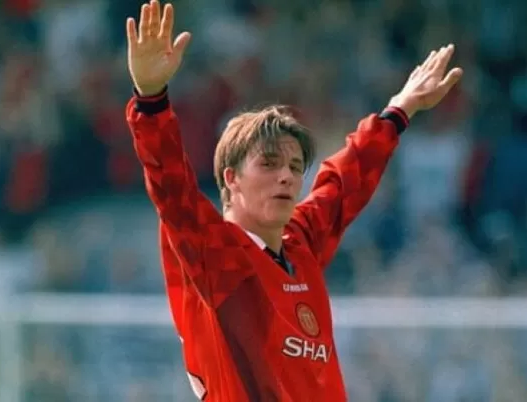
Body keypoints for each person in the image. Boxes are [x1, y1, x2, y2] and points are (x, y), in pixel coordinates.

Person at [125, 1, 463, 400]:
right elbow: (171, 187)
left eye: (295, 166)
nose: (286, 175)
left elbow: (342, 184)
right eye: (269, 164)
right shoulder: (216, 256)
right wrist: (151, 99)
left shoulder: (299, 245)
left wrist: (400, 110)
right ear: (231, 179)